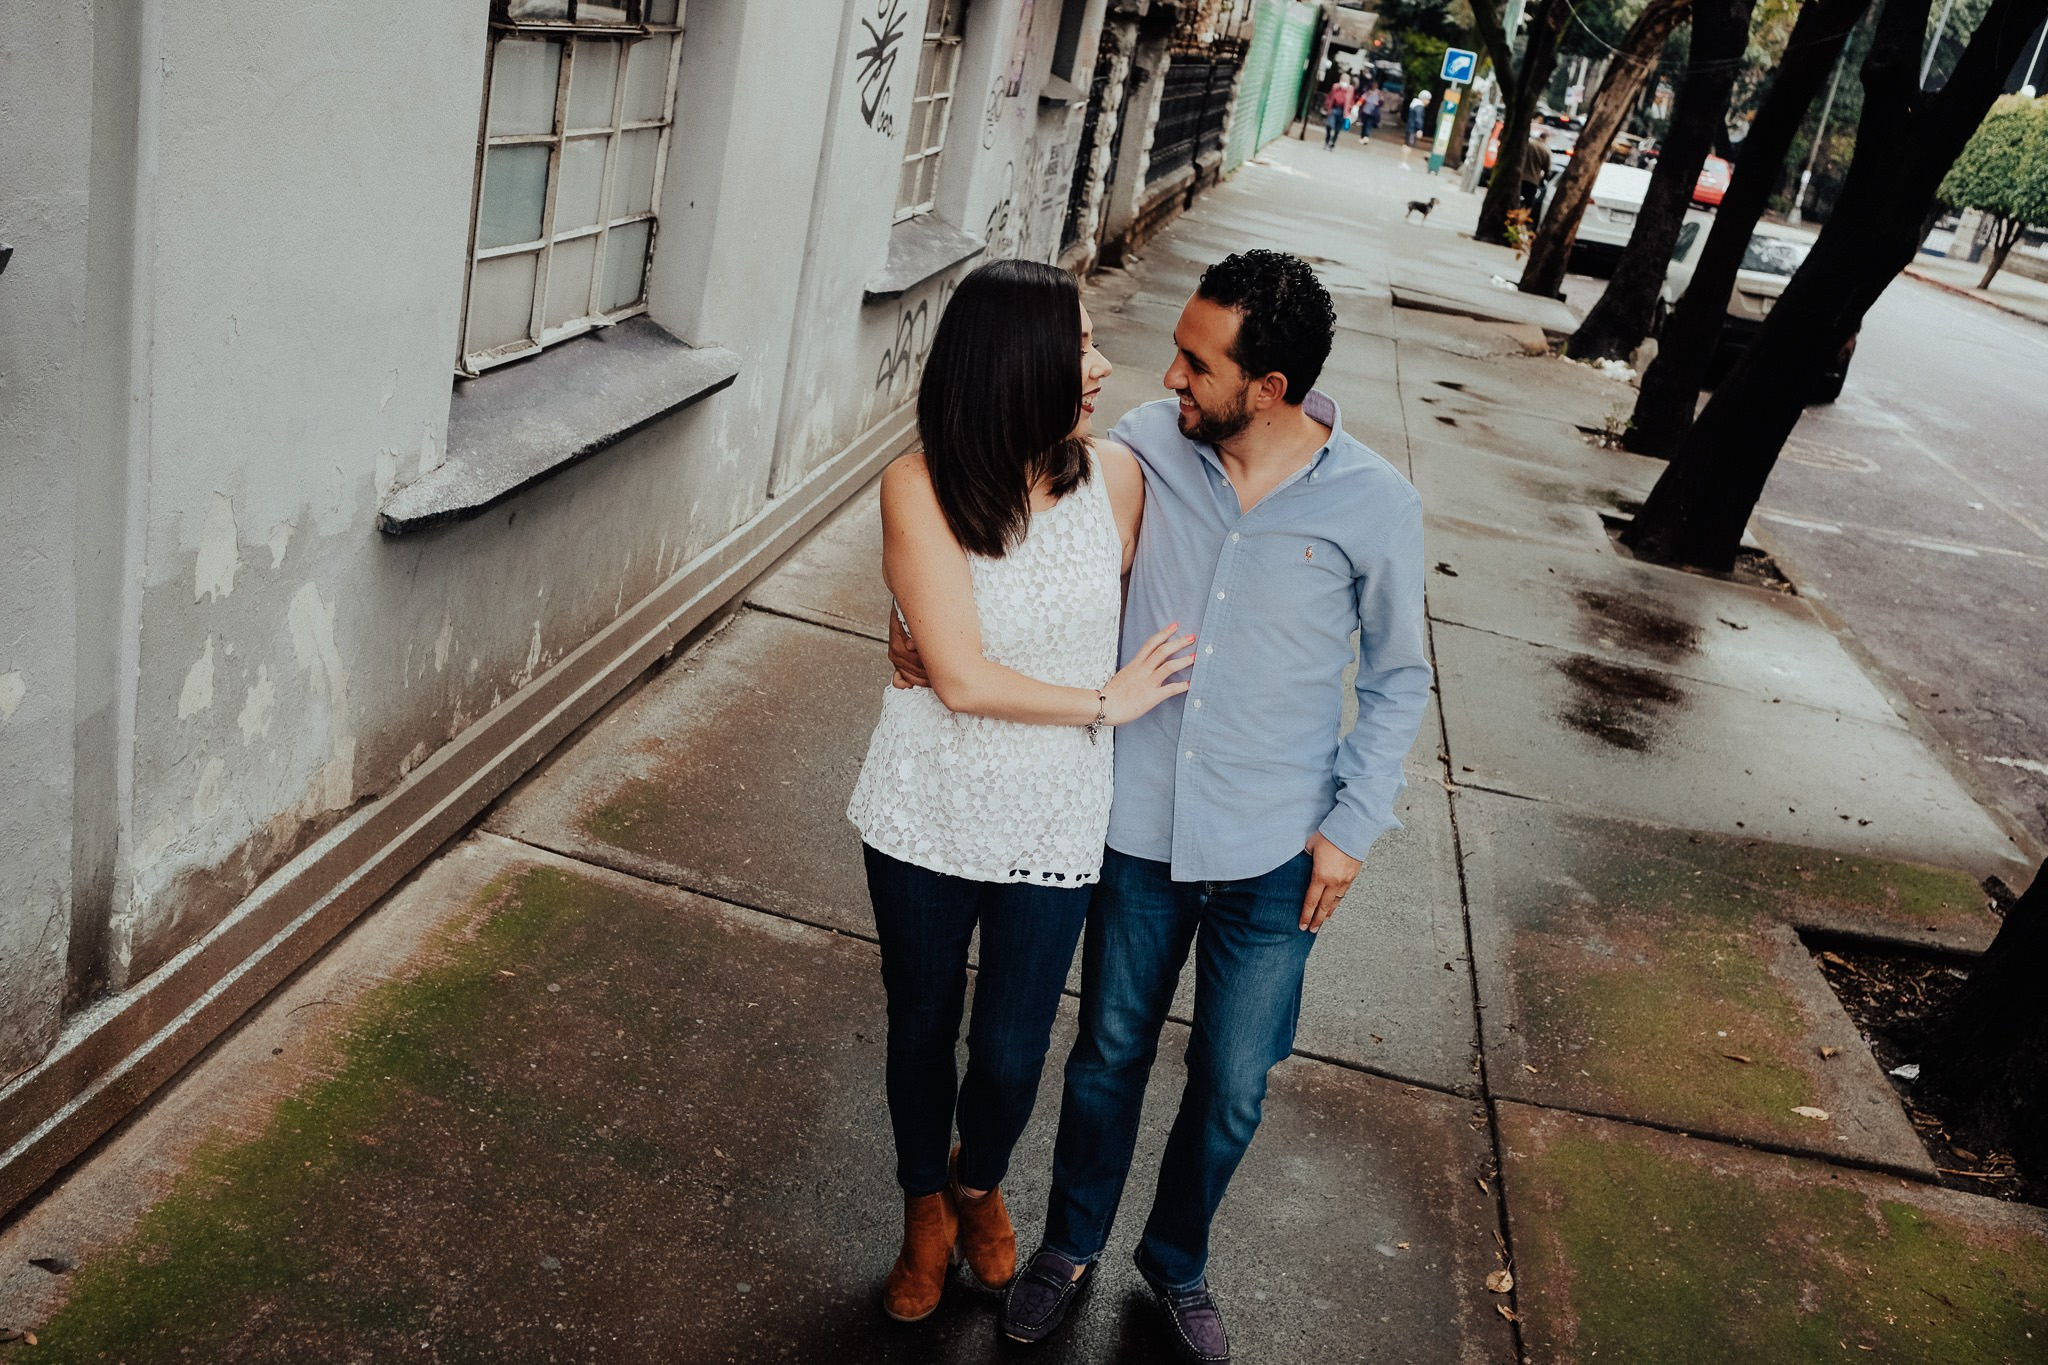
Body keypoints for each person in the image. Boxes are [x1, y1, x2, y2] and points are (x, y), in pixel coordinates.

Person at [897, 253, 1430, 1361]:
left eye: (1196, 362)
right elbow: (998, 514)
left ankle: (1175, 1261)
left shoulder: (1373, 505)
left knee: (1234, 1081)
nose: (1168, 374)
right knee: (1104, 1057)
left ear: (1268, 387)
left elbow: (1394, 680)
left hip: (1276, 843)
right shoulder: (1142, 445)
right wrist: (904, 623)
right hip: (1133, 828)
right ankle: (1068, 1245)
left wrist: (1351, 828)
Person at [846, 258, 1197, 1325]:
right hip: (925, 798)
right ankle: (921, 1211)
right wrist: (1105, 700)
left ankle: (976, 1178)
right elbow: (954, 677)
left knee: (1008, 1050)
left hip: (1052, 810)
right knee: (920, 1027)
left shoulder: (1121, 480)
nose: (1099, 364)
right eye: (1078, 344)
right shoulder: (917, 485)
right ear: (1015, 362)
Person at [1520, 126, 1554, 220]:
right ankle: (1521, 221)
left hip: (1519, 177)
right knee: (1528, 204)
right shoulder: (1546, 151)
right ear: (1546, 139)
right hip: (1532, 181)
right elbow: (1547, 170)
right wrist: (1543, 180)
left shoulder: (1529, 144)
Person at [1322, 73, 1356, 149]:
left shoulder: (1350, 89)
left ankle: (1333, 142)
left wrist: (1350, 111)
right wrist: (1327, 106)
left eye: (1346, 80)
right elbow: (1330, 96)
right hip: (1334, 108)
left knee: (1338, 129)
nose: (1344, 82)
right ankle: (1327, 139)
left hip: (1343, 111)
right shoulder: (1335, 86)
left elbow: (1351, 100)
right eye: (1343, 80)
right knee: (1329, 125)